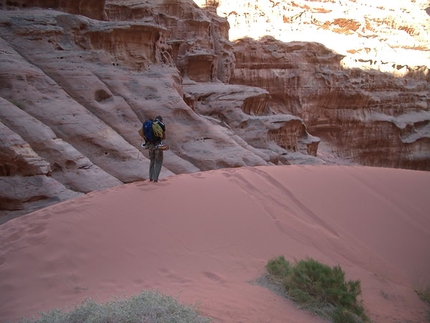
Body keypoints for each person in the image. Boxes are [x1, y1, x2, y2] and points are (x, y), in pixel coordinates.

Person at [148, 115, 166, 182]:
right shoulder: (161, 124)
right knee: (158, 161)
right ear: (161, 120)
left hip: (150, 145)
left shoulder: (150, 124)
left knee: (152, 160)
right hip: (158, 145)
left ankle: (150, 177)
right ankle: (155, 179)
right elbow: (164, 136)